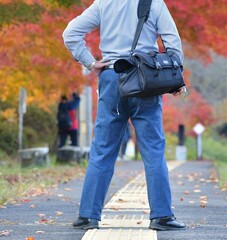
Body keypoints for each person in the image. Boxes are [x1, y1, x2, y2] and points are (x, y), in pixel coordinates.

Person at [62, 0, 186, 231]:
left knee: (103, 147)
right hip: (145, 79)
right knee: (153, 147)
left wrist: (90, 63)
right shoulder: (154, 3)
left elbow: (70, 33)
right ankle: (161, 216)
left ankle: (88, 216)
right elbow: (172, 41)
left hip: (111, 77)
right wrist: (176, 77)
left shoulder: (103, 3)